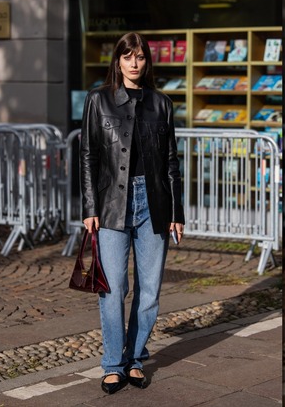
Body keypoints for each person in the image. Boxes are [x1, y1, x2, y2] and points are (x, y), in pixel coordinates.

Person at [80, 32, 185, 394]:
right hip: (111, 204)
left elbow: (172, 161)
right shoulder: (99, 100)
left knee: (150, 290)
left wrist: (177, 211)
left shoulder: (162, 103)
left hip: (153, 203)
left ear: (147, 61)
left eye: (140, 57)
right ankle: (112, 363)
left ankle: (135, 358)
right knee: (113, 289)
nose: (135, 63)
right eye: (128, 57)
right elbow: (89, 155)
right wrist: (90, 207)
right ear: (118, 61)